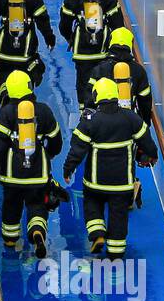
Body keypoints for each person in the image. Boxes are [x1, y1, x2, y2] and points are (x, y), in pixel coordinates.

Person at [63, 77, 157, 257]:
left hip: (96, 182)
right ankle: (116, 251)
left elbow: (77, 149)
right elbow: (148, 142)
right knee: (118, 215)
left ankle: (97, 233)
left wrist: (68, 169)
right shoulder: (131, 118)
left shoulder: (90, 120)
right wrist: (152, 155)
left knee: (92, 204)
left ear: (96, 96)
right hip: (122, 183)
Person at [0, 69, 62, 259]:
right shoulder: (44, 111)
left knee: (11, 206)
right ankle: (37, 231)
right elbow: (55, 139)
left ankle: (10, 240)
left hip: (12, 176)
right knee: (37, 205)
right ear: (30, 87)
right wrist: (50, 155)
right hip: (38, 174)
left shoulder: (6, 113)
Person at [58, 0, 123, 103]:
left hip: (82, 54)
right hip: (104, 52)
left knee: (83, 85)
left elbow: (64, 25)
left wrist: (71, 39)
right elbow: (118, 24)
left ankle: (85, 114)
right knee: (105, 83)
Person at [84, 27, 153, 122]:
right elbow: (145, 99)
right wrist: (145, 122)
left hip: (103, 120)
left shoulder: (100, 69)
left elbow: (90, 97)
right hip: (128, 119)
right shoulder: (138, 70)